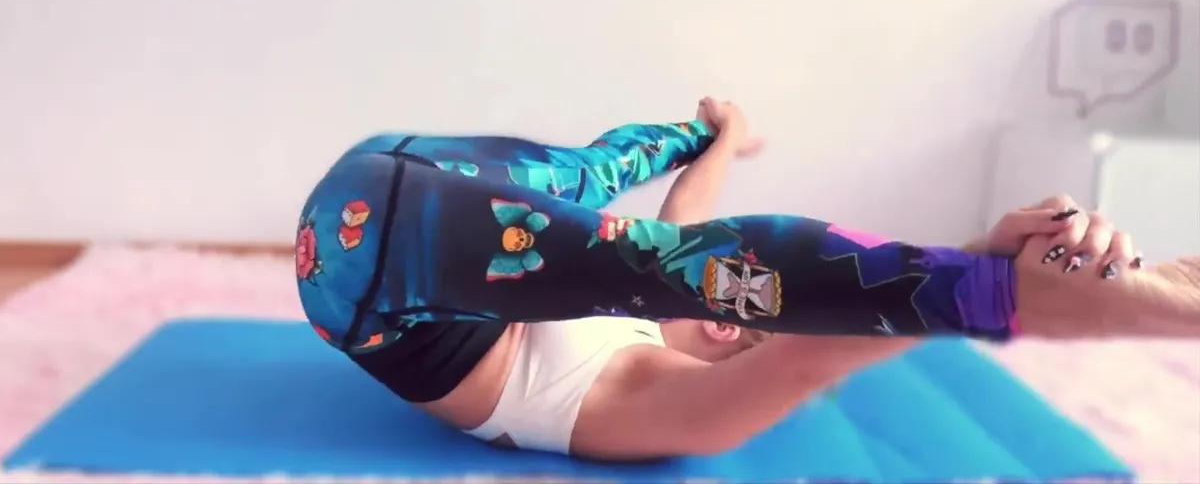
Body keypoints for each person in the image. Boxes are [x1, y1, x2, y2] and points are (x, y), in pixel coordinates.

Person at [295, 98, 1200, 458]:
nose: (733, 326)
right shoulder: (644, 316)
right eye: (748, 322)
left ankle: (1001, 289)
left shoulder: (649, 406)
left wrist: (986, 276)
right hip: (404, 175)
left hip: (370, 274)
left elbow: (810, 361)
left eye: (745, 337)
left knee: (659, 259)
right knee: (608, 189)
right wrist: (719, 142)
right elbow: (686, 218)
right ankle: (696, 127)